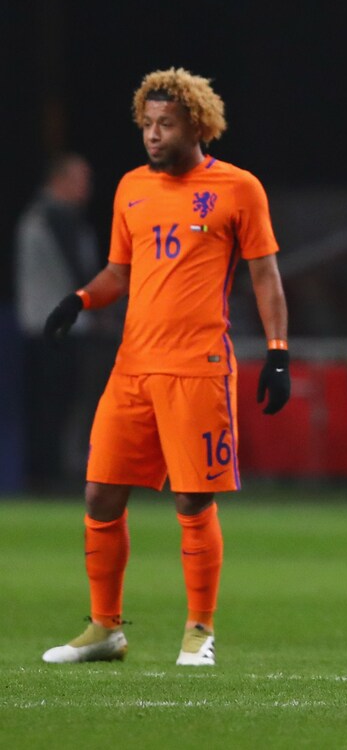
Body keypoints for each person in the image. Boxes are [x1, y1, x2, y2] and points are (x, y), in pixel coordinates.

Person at [39, 68, 291, 667]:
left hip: (198, 368)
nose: (153, 134)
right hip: (133, 368)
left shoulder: (238, 188)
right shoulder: (131, 188)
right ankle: (105, 629)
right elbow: (119, 273)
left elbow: (264, 275)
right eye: (147, 124)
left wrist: (278, 352)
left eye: (166, 124)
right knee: (100, 493)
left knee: (192, 501)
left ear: (196, 126)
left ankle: (199, 631)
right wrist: (80, 299)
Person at [15, 154, 119, 486]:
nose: (86, 188)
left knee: (50, 403)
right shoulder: (55, 216)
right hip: (59, 327)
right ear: (59, 180)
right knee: (61, 403)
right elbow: (78, 271)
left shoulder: (37, 215)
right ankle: (54, 476)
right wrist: (100, 307)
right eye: (80, 179)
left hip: (39, 325)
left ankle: (44, 473)